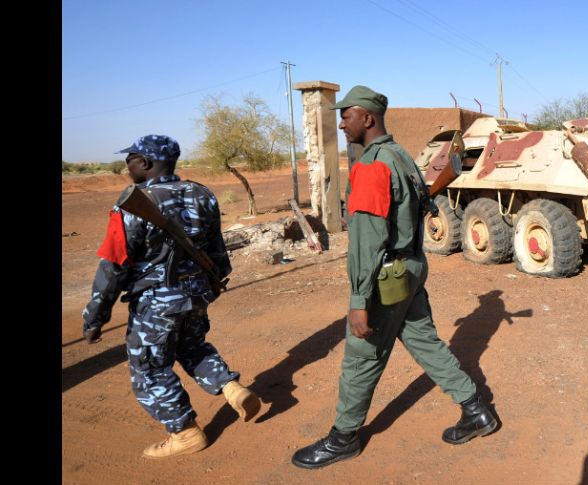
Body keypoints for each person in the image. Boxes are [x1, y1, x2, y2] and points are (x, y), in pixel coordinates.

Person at [292, 86, 498, 469]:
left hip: (385, 276)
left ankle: (344, 437)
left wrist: (359, 302)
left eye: (346, 115)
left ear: (367, 118)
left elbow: (367, 243)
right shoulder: (399, 154)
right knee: (426, 344)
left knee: (361, 356)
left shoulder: (372, 165)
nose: (341, 123)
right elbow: (423, 205)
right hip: (411, 268)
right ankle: (476, 410)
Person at [81, 134, 261, 459]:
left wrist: (96, 316)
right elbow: (218, 249)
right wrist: (213, 282)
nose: (127, 165)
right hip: (198, 294)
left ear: (147, 163)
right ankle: (232, 389)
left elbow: (113, 267)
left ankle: (185, 433)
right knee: (192, 347)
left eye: (131, 158)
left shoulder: (132, 205)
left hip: (155, 303)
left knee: (149, 368)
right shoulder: (201, 193)